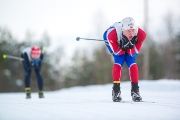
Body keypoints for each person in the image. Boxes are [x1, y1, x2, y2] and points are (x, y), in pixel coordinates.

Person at [103, 17, 146, 102]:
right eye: (128, 31)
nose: (131, 33)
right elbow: (118, 52)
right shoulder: (111, 34)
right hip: (112, 40)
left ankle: (135, 91)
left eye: (133, 30)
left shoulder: (141, 34)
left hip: (122, 41)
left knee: (131, 60)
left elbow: (134, 52)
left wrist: (129, 47)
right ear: (123, 30)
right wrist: (122, 47)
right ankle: (116, 91)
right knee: (119, 60)